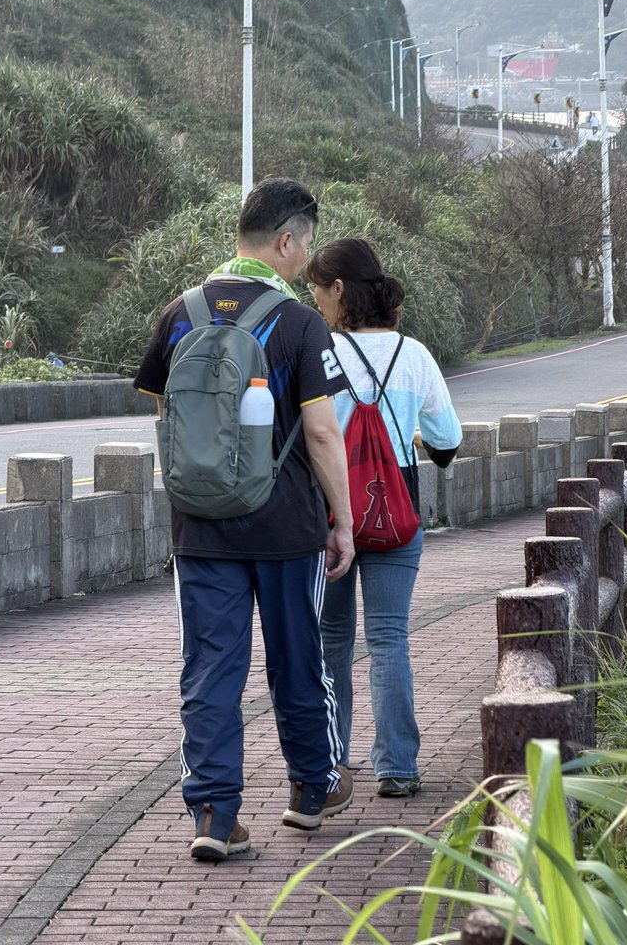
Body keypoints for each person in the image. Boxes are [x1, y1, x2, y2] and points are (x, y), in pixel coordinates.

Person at [134, 177, 356, 861]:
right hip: (287, 528)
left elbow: (166, 418)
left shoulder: (179, 313)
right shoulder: (298, 322)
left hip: (201, 530)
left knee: (208, 669)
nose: (305, 260)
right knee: (299, 661)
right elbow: (322, 434)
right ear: (285, 240)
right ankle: (311, 790)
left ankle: (212, 814)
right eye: (306, 246)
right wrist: (342, 521)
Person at [305, 238, 463, 798]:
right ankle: (397, 767)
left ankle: (329, 768)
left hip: (329, 517)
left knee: (332, 643)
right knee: (389, 640)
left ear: (340, 290)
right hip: (395, 512)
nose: (315, 300)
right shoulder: (414, 355)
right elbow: (447, 442)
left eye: (317, 289)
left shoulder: (319, 351)